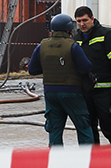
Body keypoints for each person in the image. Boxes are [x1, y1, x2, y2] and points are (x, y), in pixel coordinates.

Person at [27, 14, 95, 146]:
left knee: (54, 129)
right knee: (83, 127)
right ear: (69, 29)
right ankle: (87, 156)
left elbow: (32, 69)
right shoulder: (72, 46)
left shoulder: (42, 46)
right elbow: (86, 67)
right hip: (72, 92)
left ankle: (55, 157)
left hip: (50, 93)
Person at [73, 6, 111, 144]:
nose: (82, 24)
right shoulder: (76, 39)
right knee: (88, 128)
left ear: (92, 19)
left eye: (85, 20)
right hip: (86, 93)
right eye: (79, 21)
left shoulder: (107, 35)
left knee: (110, 126)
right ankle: (93, 156)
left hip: (106, 92)